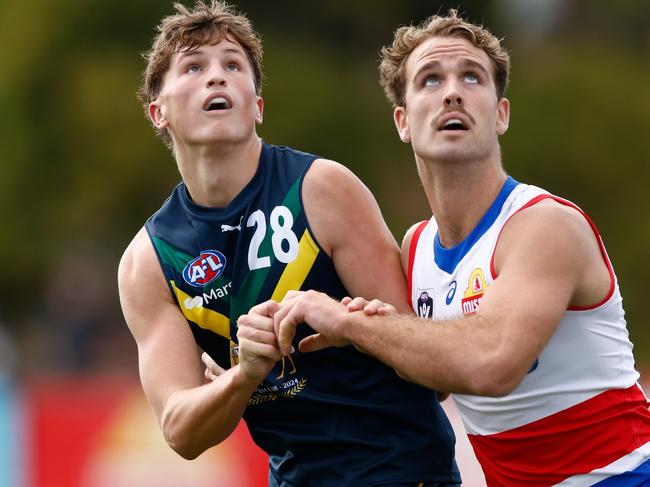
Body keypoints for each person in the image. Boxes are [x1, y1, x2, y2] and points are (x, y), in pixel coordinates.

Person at [271, 9, 650, 486]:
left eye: (471, 77)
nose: (452, 91)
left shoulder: (543, 225)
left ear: (501, 113)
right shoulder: (415, 247)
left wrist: (350, 322)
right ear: (403, 121)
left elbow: (490, 363)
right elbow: (419, 370)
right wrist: (251, 369)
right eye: (430, 79)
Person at [117, 1, 461, 485]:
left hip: (405, 472)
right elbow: (180, 429)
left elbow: (432, 372)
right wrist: (244, 374)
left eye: (233, 66)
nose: (217, 77)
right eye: (194, 67)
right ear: (159, 112)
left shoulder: (323, 189)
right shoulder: (149, 261)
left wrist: (347, 324)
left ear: (257, 106)